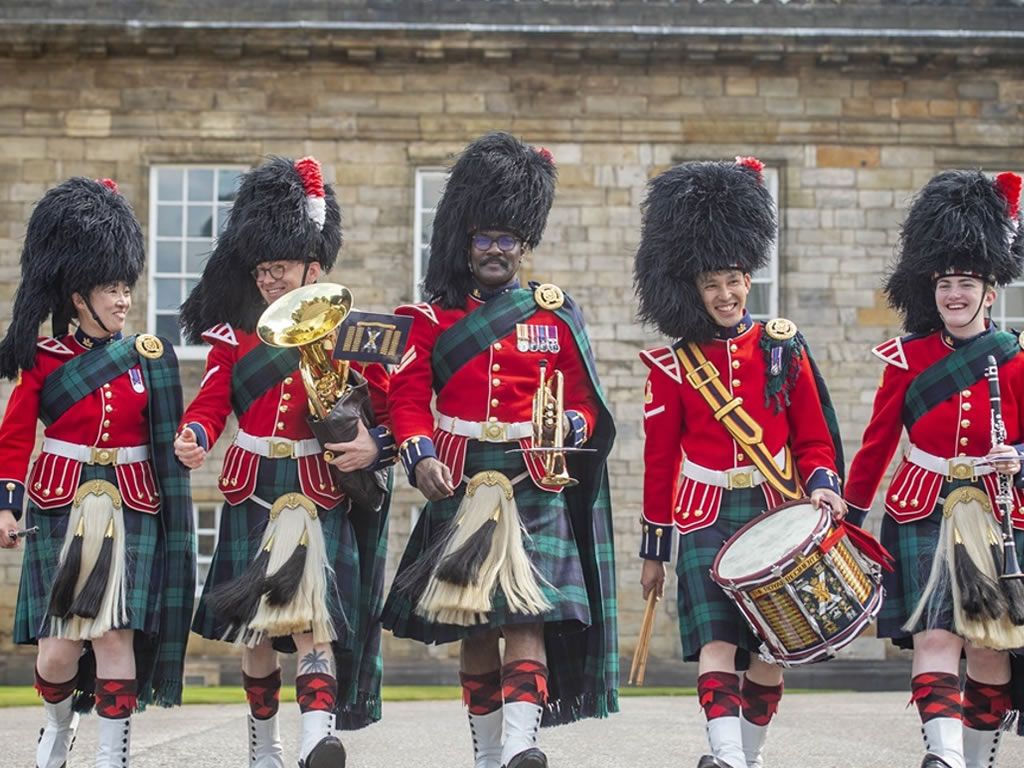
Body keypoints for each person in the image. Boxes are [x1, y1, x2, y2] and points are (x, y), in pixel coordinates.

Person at [381, 131, 618, 768]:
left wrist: (566, 425)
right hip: (460, 479)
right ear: (467, 242)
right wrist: (418, 452)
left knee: (527, 617)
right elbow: (406, 400)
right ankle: (488, 755)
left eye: (506, 239)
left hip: (532, 478)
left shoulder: (553, 314)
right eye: (484, 237)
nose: (494, 249)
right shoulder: (431, 320)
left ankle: (521, 747)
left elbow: (589, 404)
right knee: (477, 626)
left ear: (524, 244)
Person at [174, 156, 395, 768]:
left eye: (281, 268)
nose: (269, 280)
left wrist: (377, 443)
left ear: (314, 267)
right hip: (254, 488)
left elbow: (394, 409)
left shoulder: (352, 331)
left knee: (312, 622)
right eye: (263, 269)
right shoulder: (235, 336)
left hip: (316, 486)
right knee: (258, 633)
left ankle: (316, 737)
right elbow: (213, 400)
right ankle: (265, 747)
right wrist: (194, 433)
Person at [634, 158, 847, 768]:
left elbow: (813, 436)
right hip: (704, 514)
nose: (724, 295)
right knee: (714, 640)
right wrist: (655, 550)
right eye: (710, 284)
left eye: (732, 279)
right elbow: (658, 462)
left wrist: (825, 485)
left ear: (748, 277)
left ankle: (747, 755)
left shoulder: (783, 345)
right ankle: (724, 755)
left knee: (771, 653)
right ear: (691, 289)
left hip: (776, 505)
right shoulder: (674, 366)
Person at [0, 177, 195, 768]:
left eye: (126, 288)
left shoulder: (148, 359)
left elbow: (168, 438)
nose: (123, 300)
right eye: (111, 289)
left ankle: (114, 758)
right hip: (61, 504)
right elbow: (14, 438)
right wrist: (6, 505)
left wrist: (189, 447)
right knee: (58, 654)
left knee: (116, 637)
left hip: (130, 505)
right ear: (79, 296)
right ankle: (58, 727)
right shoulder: (43, 360)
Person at [844, 169, 1024, 768]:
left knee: (989, 649)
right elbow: (875, 445)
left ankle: (975, 760)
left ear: (989, 291)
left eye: (966, 284)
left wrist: (1017, 457)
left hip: (997, 510)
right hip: (922, 502)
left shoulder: (1017, 361)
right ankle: (942, 757)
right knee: (936, 637)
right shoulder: (906, 359)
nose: (954, 295)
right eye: (945, 284)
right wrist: (847, 516)